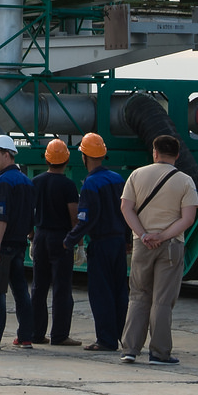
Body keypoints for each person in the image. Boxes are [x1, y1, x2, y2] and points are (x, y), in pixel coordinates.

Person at [118, 134, 198, 366]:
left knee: (138, 296)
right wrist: (162, 236)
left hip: (142, 245)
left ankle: (130, 349)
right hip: (171, 247)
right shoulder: (185, 181)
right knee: (162, 300)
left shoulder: (137, 175)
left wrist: (144, 235)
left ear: (154, 153)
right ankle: (159, 353)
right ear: (177, 155)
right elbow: (188, 218)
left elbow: (126, 208)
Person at [65, 133, 127, 351]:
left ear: (84, 156)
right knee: (120, 290)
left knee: (101, 292)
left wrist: (69, 241)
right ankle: (122, 337)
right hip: (119, 242)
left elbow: (86, 219)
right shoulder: (118, 179)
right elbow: (127, 212)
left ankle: (106, 340)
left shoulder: (91, 183)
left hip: (101, 244)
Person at [0, 135, 35, 349]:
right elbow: (31, 216)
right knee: (21, 290)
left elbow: (0, 216)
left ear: (7, 154)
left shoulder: (3, 182)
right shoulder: (27, 181)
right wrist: (29, 236)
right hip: (19, 244)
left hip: (1, 246)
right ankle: (25, 336)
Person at [27, 139, 80, 347]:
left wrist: (31, 237)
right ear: (66, 159)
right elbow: (74, 217)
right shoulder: (68, 185)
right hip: (62, 238)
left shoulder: (36, 182)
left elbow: (28, 213)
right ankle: (59, 335)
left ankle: (36, 333)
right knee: (62, 288)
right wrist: (79, 243)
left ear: (46, 158)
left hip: (40, 236)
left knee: (39, 287)